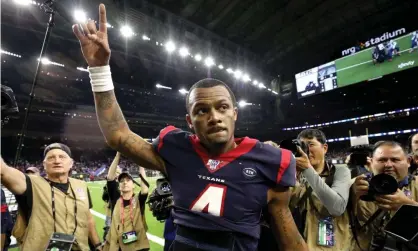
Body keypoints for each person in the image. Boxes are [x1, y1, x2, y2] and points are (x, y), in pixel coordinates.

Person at [72, 4, 307, 251]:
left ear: (235, 114)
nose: (214, 117)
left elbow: (291, 241)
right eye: (202, 111)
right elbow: (118, 136)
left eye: (223, 107)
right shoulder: (176, 151)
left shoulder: (268, 162)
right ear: (189, 121)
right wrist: (99, 69)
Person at [0, 143, 102, 251]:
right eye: (51, 157)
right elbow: (3, 172)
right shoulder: (31, 183)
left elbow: (88, 218)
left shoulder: (81, 185)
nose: (57, 161)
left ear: (71, 163)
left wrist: (97, 245)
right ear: (44, 164)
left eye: (62, 157)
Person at [351, 141, 418, 251]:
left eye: (395, 160)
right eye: (382, 160)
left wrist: (408, 206)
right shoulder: (356, 186)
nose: (388, 165)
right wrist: (351, 197)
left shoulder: (416, 185)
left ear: (408, 161)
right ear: (371, 163)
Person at [103, 151, 150, 251]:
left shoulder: (138, 200)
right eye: (122, 181)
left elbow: (145, 189)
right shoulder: (115, 199)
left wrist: (141, 163)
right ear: (119, 186)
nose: (125, 182)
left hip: (136, 246)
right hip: (117, 246)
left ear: (133, 185)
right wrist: (118, 155)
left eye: (128, 180)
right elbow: (110, 178)